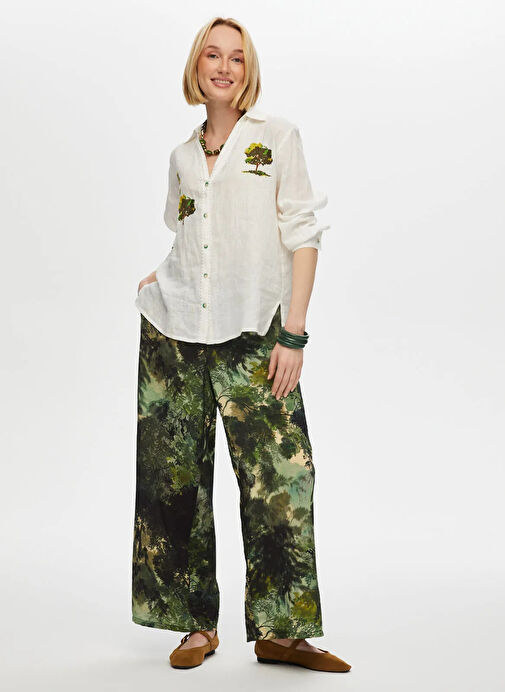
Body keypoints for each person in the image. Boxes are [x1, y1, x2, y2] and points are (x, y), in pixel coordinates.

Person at [132, 16, 352, 674]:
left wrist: (294, 332)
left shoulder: (276, 138)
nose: (223, 67)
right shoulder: (181, 156)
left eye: (236, 57)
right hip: (175, 333)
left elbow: (302, 234)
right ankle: (195, 624)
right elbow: (188, 232)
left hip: (256, 332)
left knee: (282, 477)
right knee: (174, 481)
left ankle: (281, 631)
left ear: (247, 69)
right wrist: (161, 276)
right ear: (196, 67)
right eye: (212, 55)